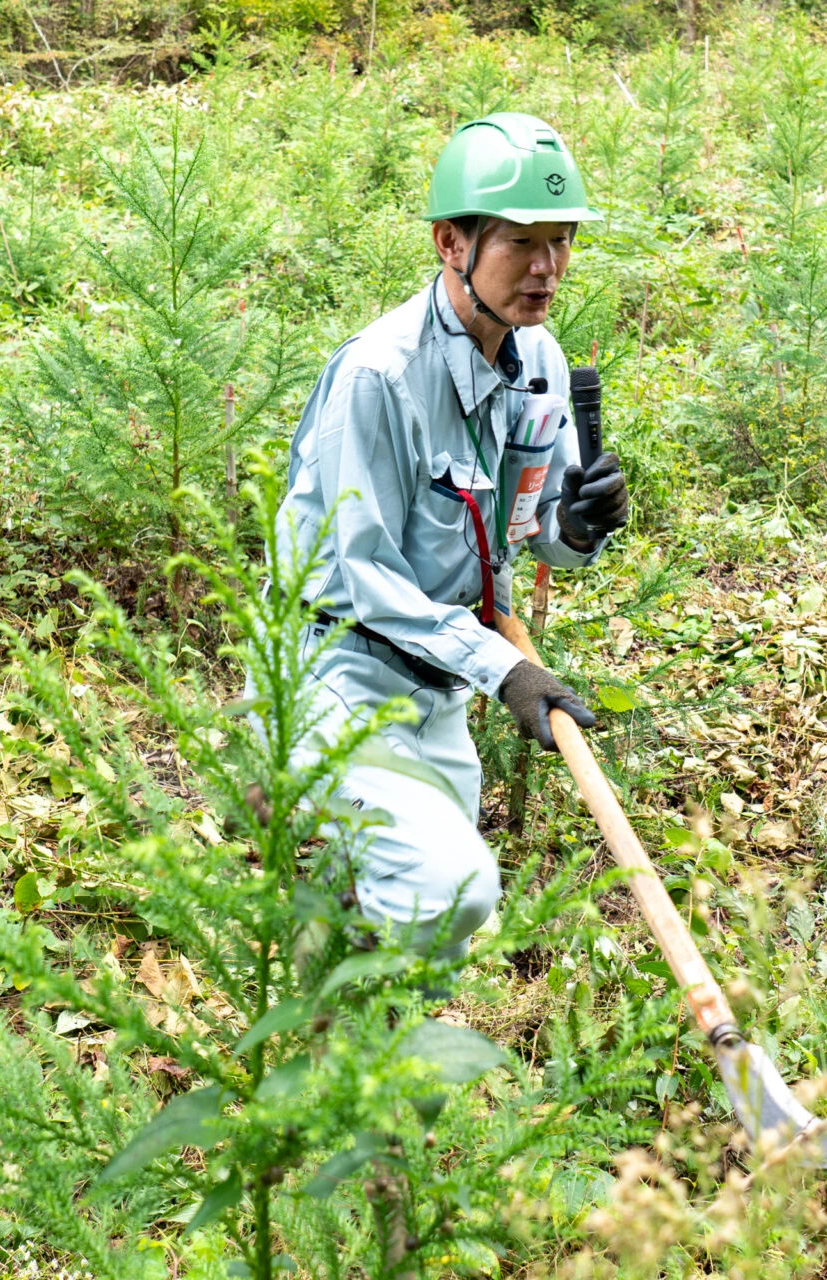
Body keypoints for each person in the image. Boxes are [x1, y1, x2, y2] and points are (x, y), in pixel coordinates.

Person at [277, 112, 631, 959]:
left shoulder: (538, 362)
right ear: (451, 244)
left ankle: (368, 1056)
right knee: (454, 887)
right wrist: (506, 669)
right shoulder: (379, 378)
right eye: (521, 243)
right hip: (339, 672)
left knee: (438, 927)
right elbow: (364, 574)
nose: (547, 268)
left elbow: (530, 531)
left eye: (562, 241)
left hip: (438, 681)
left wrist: (577, 528)